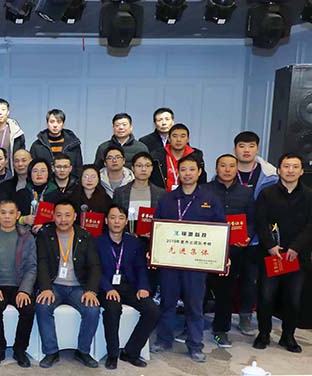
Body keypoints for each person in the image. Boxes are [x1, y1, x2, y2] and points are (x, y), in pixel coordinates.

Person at [151, 154, 226, 363]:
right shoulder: (167, 199)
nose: (187, 174)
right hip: (170, 262)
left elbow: (220, 230)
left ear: (199, 172)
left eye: (192, 169)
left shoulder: (210, 199)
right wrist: (154, 251)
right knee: (167, 302)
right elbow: (158, 228)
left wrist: (222, 256)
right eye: (183, 170)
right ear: (178, 173)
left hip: (196, 264)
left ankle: (195, 345)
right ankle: (164, 339)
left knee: (194, 305)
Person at [253, 153, 311, 353]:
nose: (290, 170)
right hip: (271, 254)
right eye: (286, 166)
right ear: (278, 170)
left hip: (297, 256)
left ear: (302, 171)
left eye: (295, 167)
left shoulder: (309, 196)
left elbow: (310, 226)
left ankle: (288, 336)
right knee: (266, 297)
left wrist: (296, 247)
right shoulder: (267, 194)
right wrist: (270, 245)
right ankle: (263, 333)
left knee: (293, 299)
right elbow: (260, 221)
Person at [34, 199, 101, 369]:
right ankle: (51, 352)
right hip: (54, 285)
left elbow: (94, 265)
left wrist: (91, 290)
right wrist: (45, 288)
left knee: (92, 309)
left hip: (78, 286)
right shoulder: (45, 234)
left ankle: (83, 351)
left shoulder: (85, 236)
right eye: (59, 215)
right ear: (53, 216)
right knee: (42, 306)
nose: (63, 219)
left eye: (67, 215)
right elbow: (41, 262)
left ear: (75, 216)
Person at [95, 205, 159, 369]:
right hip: (106, 287)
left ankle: (131, 352)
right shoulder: (97, 242)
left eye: (121, 218)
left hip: (129, 286)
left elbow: (140, 267)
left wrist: (143, 287)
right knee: (113, 308)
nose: (116, 221)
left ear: (126, 221)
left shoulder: (134, 242)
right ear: (106, 221)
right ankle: (112, 354)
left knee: (152, 311)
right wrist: (108, 288)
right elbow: (95, 270)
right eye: (113, 217)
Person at [206, 154, 257, 348]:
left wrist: (248, 236)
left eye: (231, 166)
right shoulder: (204, 190)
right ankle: (191, 325)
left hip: (234, 250)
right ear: (216, 168)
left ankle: (221, 330)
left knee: (226, 292)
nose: (227, 170)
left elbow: (252, 219)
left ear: (237, 169)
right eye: (223, 165)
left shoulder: (246, 193)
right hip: (207, 249)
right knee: (198, 289)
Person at [0, 200, 36, 368]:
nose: (7, 216)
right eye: (3, 212)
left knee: (28, 308)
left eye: (11, 213)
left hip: (19, 286)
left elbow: (32, 267)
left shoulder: (27, 237)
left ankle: (20, 349)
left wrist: (25, 290)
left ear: (18, 215)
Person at [232, 131, 278, 335]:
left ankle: (245, 317)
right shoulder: (226, 170)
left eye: (251, 146)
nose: (246, 150)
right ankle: (221, 317)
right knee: (226, 279)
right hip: (231, 237)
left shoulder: (270, 176)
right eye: (242, 146)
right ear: (235, 149)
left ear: (257, 149)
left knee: (251, 280)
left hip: (257, 238)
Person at [151, 123, 209, 191]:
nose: (178, 139)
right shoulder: (156, 156)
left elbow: (202, 181)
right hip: (162, 195)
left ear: (188, 139)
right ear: (169, 139)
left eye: (182, 136)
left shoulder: (196, 155)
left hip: (189, 195)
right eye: (175, 136)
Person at [113, 151, 163, 226]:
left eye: (147, 166)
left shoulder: (161, 193)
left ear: (152, 168)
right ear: (132, 168)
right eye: (139, 166)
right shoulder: (119, 192)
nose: (143, 169)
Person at [30, 109, 83, 179]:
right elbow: (32, 169)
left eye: (59, 122)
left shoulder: (73, 144)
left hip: (69, 183)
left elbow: (78, 168)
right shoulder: (37, 145)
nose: (55, 125)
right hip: (45, 183)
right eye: (52, 122)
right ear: (47, 123)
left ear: (63, 124)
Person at [15, 159, 58, 226]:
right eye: (35, 171)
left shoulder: (57, 195)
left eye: (43, 171)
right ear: (30, 174)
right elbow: (11, 216)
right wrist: (23, 220)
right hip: (25, 231)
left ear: (48, 173)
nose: (39, 174)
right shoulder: (21, 194)